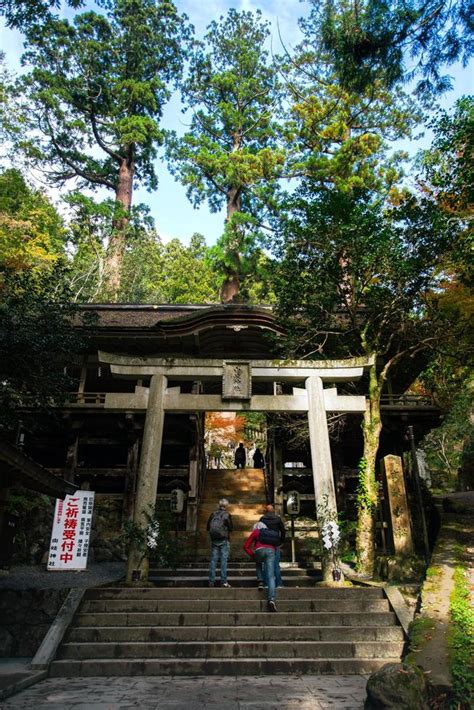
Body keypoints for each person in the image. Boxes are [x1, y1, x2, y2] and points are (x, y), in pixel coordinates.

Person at [243, 522, 279, 612]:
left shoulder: (256, 532)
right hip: (271, 551)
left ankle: (260, 581)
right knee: (271, 576)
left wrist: (252, 555)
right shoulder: (271, 533)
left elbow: (246, 546)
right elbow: (276, 545)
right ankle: (271, 600)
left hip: (259, 551)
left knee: (258, 561)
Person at [207, 498, 233, 588]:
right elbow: (231, 528)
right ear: (226, 506)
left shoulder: (213, 514)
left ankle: (211, 581)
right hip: (223, 540)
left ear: (219, 505)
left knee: (213, 561)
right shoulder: (227, 514)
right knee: (223, 561)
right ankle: (223, 581)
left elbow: (208, 527)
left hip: (214, 540)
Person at [260, 504, 286, 588]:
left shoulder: (262, 519)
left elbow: (259, 531)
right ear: (273, 510)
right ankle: (279, 583)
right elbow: (283, 531)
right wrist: (281, 540)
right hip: (275, 543)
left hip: (265, 544)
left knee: (266, 564)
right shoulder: (277, 519)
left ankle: (266, 583)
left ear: (266, 511)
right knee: (276, 564)